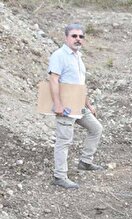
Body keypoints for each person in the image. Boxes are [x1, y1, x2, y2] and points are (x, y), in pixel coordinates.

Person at [48, 22, 103, 190]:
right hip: (65, 106)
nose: (78, 39)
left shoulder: (78, 57)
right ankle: (60, 176)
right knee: (64, 141)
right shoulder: (59, 55)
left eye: (81, 36)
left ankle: (85, 162)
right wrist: (57, 103)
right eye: (74, 36)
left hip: (79, 103)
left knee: (96, 129)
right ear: (66, 38)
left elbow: (80, 84)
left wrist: (88, 104)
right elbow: (53, 80)